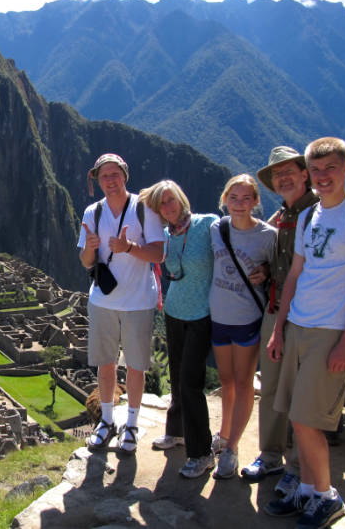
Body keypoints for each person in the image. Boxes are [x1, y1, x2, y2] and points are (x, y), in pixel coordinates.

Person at [243, 146, 345, 493]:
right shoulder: (291, 215)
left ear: (303, 174)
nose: (284, 178)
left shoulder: (331, 211)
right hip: (281, 310)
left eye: (290, 171)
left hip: (320, 319)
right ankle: (273, 455)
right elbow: (291, 268)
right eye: (277, 175)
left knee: (301, 405)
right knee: (276, 388)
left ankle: (302, 475)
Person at [78, 153, 165, 454]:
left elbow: (158, 254)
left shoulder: (144, 210)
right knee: (105, 365)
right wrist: (90, 249)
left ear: (125, 176)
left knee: (136, 368)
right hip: (102, 301)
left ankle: (131, 424)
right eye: (104, 176)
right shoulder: (93, 213)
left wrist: (129, 248)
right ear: (97, 180)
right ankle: (107, 421)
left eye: (115, 174)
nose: (110, 180)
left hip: (139, 301)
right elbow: (86, 261)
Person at [139, 180, 218, 478]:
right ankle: (177, 432)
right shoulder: (165, 236)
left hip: (201, 315)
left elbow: (239, 234)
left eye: (171, 200)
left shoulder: (207, 225)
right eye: (162, 204)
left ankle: (201, 452)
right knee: (176, 376)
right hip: (174, 312)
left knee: (191, 383)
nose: (168, 207)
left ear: (181, 198)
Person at [209, 174, 277, 479]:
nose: (239, 204)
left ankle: (233, 449)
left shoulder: (268, 236)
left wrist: (265, 270)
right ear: (224, 199)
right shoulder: (216, 228)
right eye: (233, 198)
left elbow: (281, 270)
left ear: (256, 201)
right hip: (218, 317)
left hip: (248, 318)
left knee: (244, 381)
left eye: (246, 198)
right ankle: (223, 434)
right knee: (227, 381)